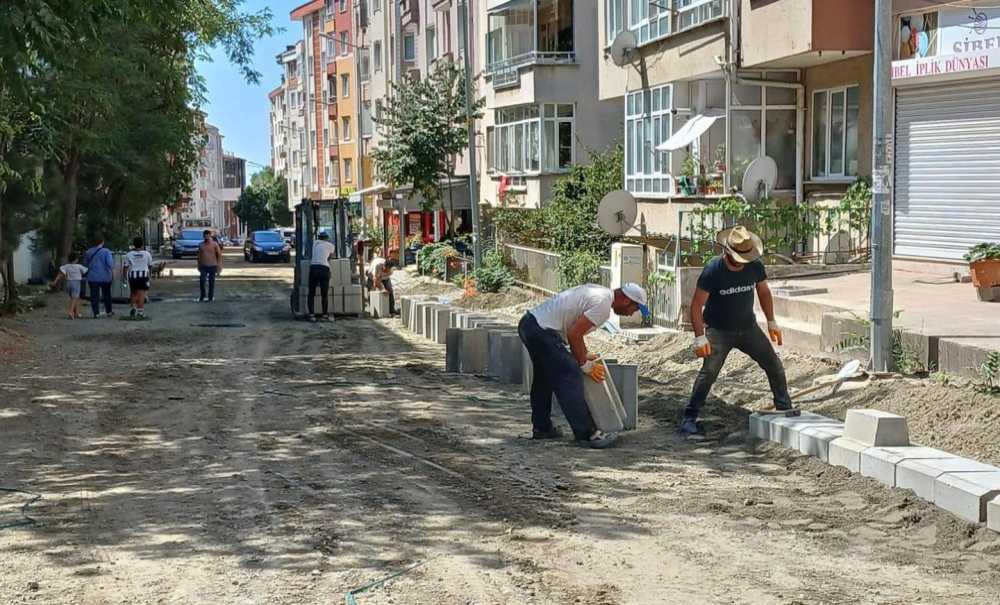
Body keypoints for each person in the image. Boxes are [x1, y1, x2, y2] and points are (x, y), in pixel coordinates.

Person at [678, 225, 793, 436]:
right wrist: (700, 337)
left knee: (774, 364)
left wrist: (771, 321)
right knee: (709, 373)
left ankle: (785, 408)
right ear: (728, 253)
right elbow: (696, 305)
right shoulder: (713, 270)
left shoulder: (755, 266)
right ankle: (690, 417)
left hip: (748, 328)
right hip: (719, 331)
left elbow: (764, 291)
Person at [518, 282, 650, 449]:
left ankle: (542, 427)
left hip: (530, 325)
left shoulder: (600, 293)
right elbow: (574, 334)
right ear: (626, 300)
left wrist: (584, 354)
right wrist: (584, 364)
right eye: (635, 308)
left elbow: (575, 330)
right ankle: (587, 434)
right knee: (570, 374)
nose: (632, 314)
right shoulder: (603, 305)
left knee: (544, 378)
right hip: (541, 330)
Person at [83, 235, 115, 318]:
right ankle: (109, 311)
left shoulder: (88, 252)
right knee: (107, 294)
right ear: (102, 242)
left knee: (94, 296)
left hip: (92, 277)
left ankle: (96, 313)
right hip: (105, 277)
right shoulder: (106, 251)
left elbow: (85, 264)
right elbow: (110, 264)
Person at [308, 231, 337, 321]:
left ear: (319, 237)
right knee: (324, 294)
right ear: (327, 238)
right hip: (324, 269)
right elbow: (332, 256)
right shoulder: (330, 245)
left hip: (313, 268)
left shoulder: (314, 244)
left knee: (311, 293)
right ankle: (324, 314)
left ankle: (311, 315)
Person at [123, 236, 153, 320]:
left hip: (132, 276)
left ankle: (133, 308)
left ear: (134, 245)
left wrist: (125, 276)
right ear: (142, 244)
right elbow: (150, 266)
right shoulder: (147, 254)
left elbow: (125, 267)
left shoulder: (129, 254)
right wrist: (149, 276)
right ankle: (140, 312)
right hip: (143, 276)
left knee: (133, 293)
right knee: (141, 294)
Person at [51, 253, 89, 319]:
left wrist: (54, 282)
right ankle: (71, 312)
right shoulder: (79, 266)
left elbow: (60, 274)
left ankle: (77, 313)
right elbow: (86, 271)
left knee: (74, 298)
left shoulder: (66, 266)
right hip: (76, 283)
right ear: (76, 260)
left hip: (68, 283)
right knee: (75, 298)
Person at [197, 229, 223, 302]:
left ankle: (210, 297)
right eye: (205, 236)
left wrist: (219, 265)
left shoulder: (214, 244)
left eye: (208, 236)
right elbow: (199, 256)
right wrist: (198, 265)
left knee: (211, 282)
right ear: (203, 236)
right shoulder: (201, 245)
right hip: (203, 266)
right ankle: (202, 295)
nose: (206, 237)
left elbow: (219, 255)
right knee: (202, 280)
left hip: (213, 265)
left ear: (210, 236)